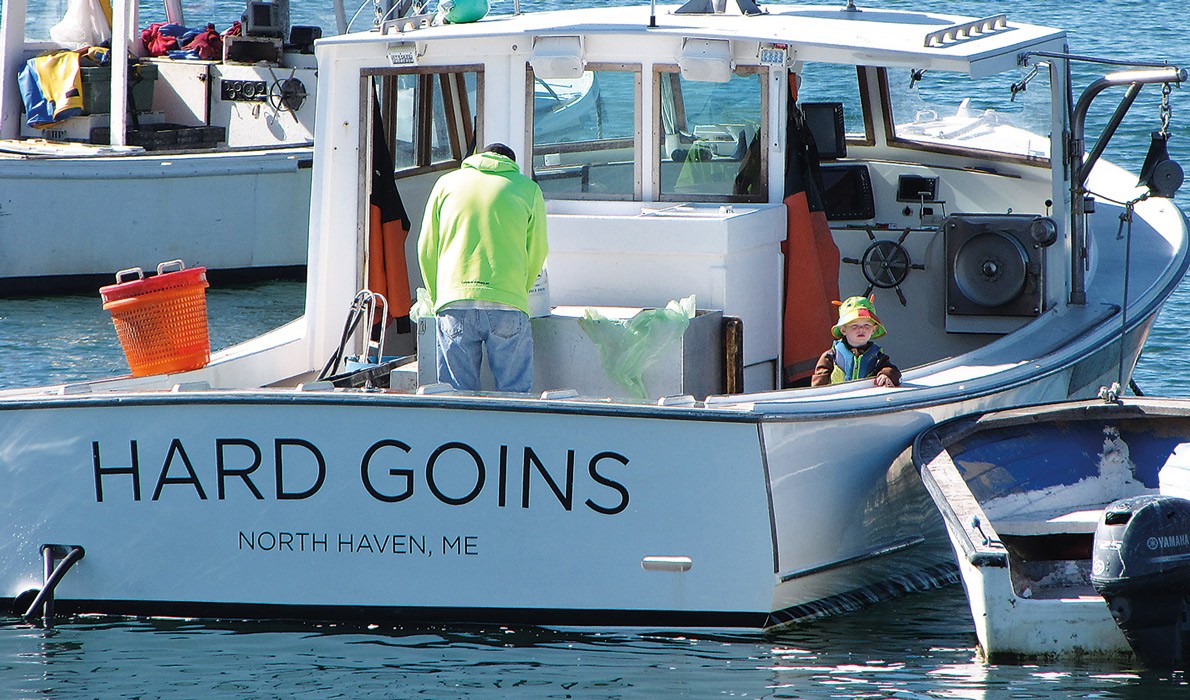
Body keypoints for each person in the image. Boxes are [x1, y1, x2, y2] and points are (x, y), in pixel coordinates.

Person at [417, 143, 548, 392]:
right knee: (514, 395)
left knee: (456, 395)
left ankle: (459, 432)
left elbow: (426, 248)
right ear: (512, 164)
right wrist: (519, 291)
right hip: (508, 302)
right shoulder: (527, 189)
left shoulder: (446, 184)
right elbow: (538, 251)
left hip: (454, 300)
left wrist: (438, 297)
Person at [810, 295, 901, 388]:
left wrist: (886, 375)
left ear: (874, 329)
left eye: (866, 325)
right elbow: (818, 385)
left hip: (867, 399)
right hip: (839, 399)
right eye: (854, 325)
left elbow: (894, 372)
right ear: (843, 330)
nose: (861, 329)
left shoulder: (878, 357)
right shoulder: (831, 356)